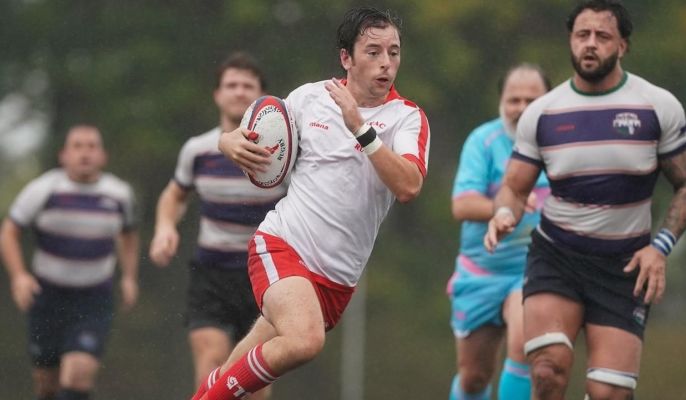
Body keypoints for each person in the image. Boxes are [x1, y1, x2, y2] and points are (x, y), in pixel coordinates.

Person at [188, 6, 430, 399]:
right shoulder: (309, 98)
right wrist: (227, 140)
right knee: (304, 341)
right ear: (346, 58)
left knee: (240, 375)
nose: (386, 63)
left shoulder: (407, 118)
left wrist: (361, 129)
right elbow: (256, 130)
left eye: (394, 52)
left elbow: (408, 186)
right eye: (373, 52)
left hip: (336, 281)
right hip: (283, 245)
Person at [484, 1, 686, 398]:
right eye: (582, 35)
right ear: (570, 41)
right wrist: (503, 213)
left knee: (608, 394)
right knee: (548, 370)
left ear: (623, 46)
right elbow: (515, 188)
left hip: (625, 266)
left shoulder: (657, 106)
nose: (590, 44)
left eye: (602, 37)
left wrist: (661, 249)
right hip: (557, 257)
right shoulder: (543, 113)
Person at [148, 52, 284, 399]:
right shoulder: (198, 150)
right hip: (212, 274)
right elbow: (175, 195)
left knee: (255, 379)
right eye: (231, 85)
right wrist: (165, 227)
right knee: (212, 360)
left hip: (265, 275)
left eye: (247, 86)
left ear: (262, 97)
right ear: (217, 95)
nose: (238, 92)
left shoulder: (281, 153)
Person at [0, 125, 139, 400]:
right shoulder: (43, 189)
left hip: (93, 297)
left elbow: (129, 235)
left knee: (78, 374)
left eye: (91, 146)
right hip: (48, 296)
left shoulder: (119, 194)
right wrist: (19, 276)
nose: (85, 153)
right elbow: (9, 232)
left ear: (103, 155)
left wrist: (129, 277)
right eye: (77, 146)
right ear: (64, 155)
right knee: (47, 383)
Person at [448, 63, 551, 400]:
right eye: (513, 100)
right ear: (501, 103)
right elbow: (462, 205)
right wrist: (509, 206)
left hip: (534, 269)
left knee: (522, 347)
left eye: (531, 100)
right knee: (474, 377)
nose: (521, 109)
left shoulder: (561, 145)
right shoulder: (483, 140)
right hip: (481, 269)